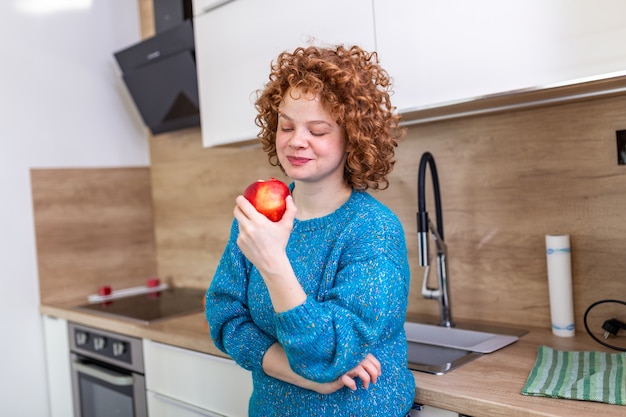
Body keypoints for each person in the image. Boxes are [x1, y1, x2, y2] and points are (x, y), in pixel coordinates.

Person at [206, 44, 415, 417]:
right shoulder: (259, 215)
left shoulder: (373, 230)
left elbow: (331, 352)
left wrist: (274, 264)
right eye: (286, 126)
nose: (295, 140)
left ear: (353, 137)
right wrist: (306, 377)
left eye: (317, 130)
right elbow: (225, 318)